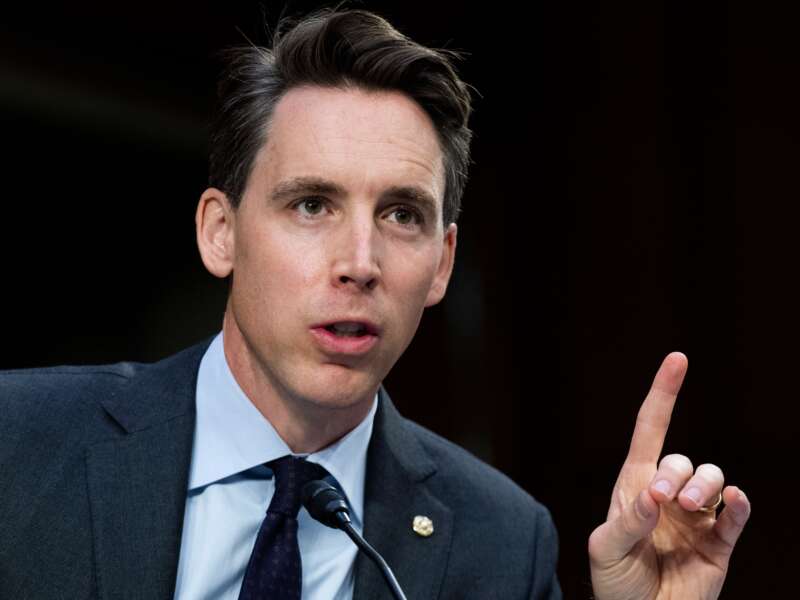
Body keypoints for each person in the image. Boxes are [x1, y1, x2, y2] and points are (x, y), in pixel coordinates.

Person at [0, 7, 750, 599]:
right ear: (220, 233)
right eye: (312, 205)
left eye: (401, 215)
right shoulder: (19, 442)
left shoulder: (500, 544)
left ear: (441, 264)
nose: (361, 264)